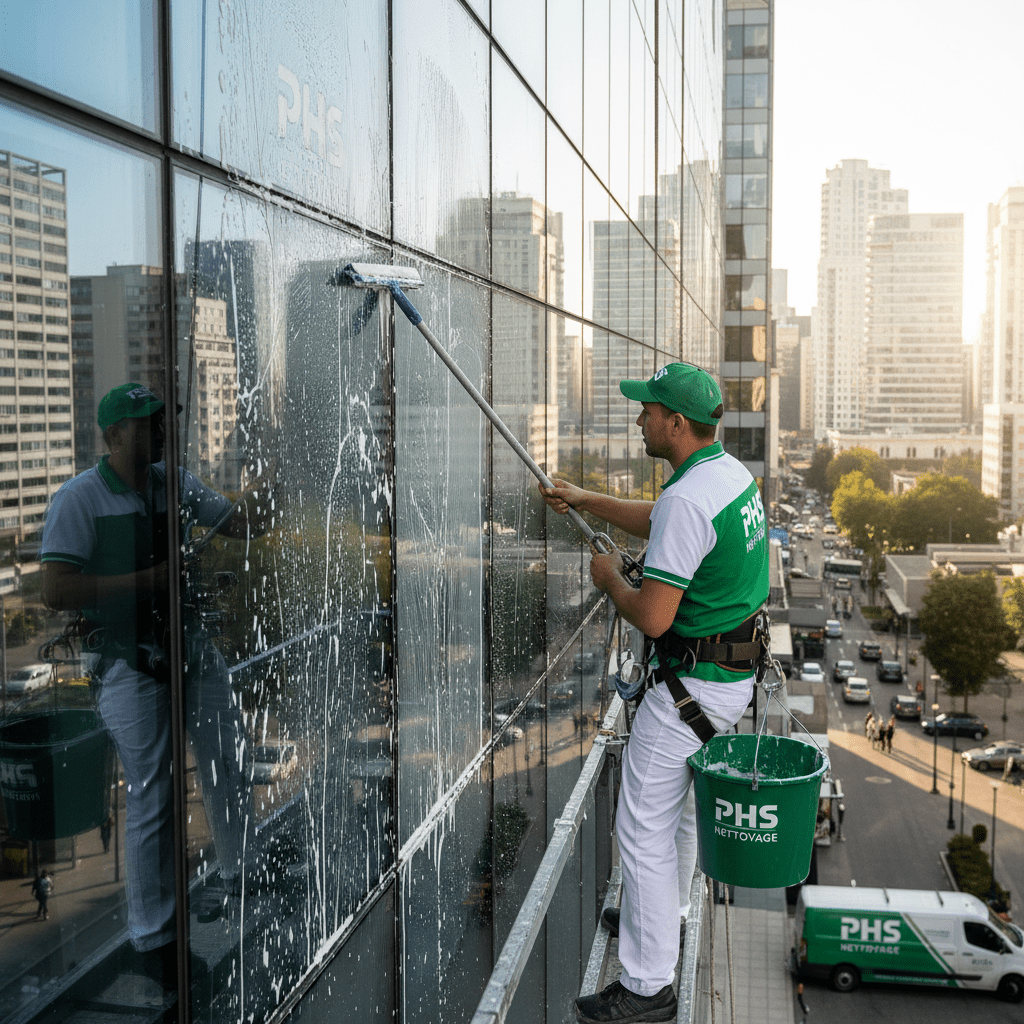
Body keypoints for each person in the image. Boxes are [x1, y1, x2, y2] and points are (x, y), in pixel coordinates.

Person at [540, 363, 768, 1024]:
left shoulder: (689, 498)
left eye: (648, 410)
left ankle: (645, 987)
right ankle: (665, 916)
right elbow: (661, 519)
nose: (639, 418)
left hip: (691, 689)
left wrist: (609, 578)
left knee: (640, 825)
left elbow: (652, 617)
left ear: (673, 421)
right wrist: (585, 498)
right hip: (727, 680)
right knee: (682, 819)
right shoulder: (725, 476)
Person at [40, 383, 275, 984]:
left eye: (163, 422)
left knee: (227, 755)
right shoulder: (80, 499)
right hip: (125, 662)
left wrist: (270, 482)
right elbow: (56, 590)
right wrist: (153, 578)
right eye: (146, 424)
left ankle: (239, 869)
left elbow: (239, 526)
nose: (160, 432)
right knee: (152, 792)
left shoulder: (174, 483)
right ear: (113, 435)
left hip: (189, 645)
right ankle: (154, 933)